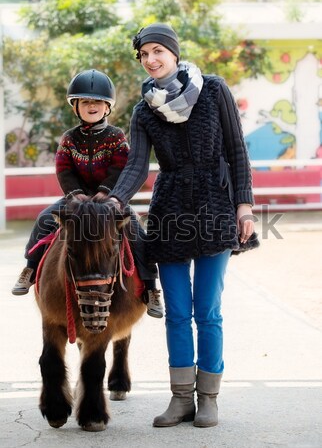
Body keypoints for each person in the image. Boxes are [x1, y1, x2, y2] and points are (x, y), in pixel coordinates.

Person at [108, 23, 259, 427]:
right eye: (144, 55)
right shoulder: (144, 110)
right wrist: (112, 201)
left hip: (215, 205)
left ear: (174, 53)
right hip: (170, 210)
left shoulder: (213, 89)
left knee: (207, 310)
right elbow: (137, 166)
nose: (152, 60)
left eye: (158, 51)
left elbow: (236, 150)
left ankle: (208, 397)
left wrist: (244, 206)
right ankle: (180, 399)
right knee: (176, 312)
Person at [11, 69, 163, 319]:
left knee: (137, 232)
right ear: (76, 107)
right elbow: (64, 170)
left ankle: (150, 287)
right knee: (44, 219)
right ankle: (29, 268)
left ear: (107, 107)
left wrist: (106, 193)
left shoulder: (116, 137)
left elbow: (119, 168)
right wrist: (75, 194)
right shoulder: (69, 139)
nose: (92, 105)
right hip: (76, 199)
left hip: (111, 199)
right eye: (86, 102)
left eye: (97, 102)